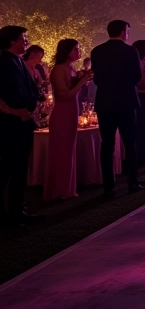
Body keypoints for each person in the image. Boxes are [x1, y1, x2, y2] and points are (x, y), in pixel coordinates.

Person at [91, 20, 145, 196]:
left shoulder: (97, 51)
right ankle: (133, 181)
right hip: (126, 102)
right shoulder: (130, 51)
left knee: (106, 144)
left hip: (105, 102)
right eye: (127, 31)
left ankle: (108, 186)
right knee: (130, 143)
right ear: (123, 32)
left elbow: (97, 79)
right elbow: (137, 77)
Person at [0, 25, 43, 225]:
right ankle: (14, 211)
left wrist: (33, 98)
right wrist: (28, 102)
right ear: (12, 41)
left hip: (21, 119)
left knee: (16, 166)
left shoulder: (17, 61)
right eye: (23, 38)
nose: (26, 42)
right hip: (13, 123)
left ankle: (17, 207)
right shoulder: (6, 63)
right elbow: (16, 93)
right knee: (13, 166)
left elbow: (34, 90)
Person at [45, 39, 92, 201]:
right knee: (61, 151)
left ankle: (67, 186)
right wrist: (82, 82)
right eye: (75, 49)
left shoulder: (70, 68)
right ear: (66, 51)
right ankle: (59, 189)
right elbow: (65, 95)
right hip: (62, 113)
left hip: (72, 111)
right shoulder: (58, 70)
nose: (78, 52)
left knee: (68, 150)